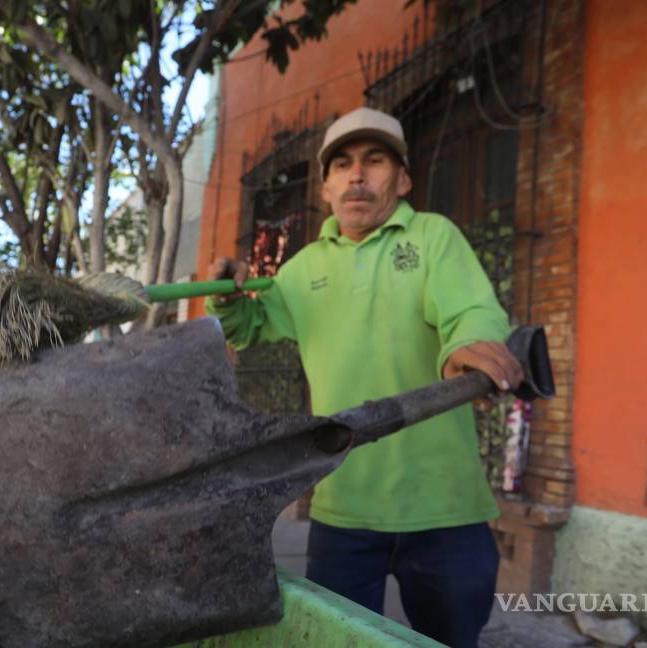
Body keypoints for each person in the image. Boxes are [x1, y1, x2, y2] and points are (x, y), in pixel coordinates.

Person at [205, 106, 523, 648]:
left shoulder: (432, 238)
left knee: (453, 641)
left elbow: (470, 310)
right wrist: (225, 294)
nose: (357, 175)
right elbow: (251, 327)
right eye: (344, 165)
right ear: (326, 187)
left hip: (445, 510)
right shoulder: (303, 268)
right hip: (343, 508)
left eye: (374, 161)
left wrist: (467, 344)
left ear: (402, 179)